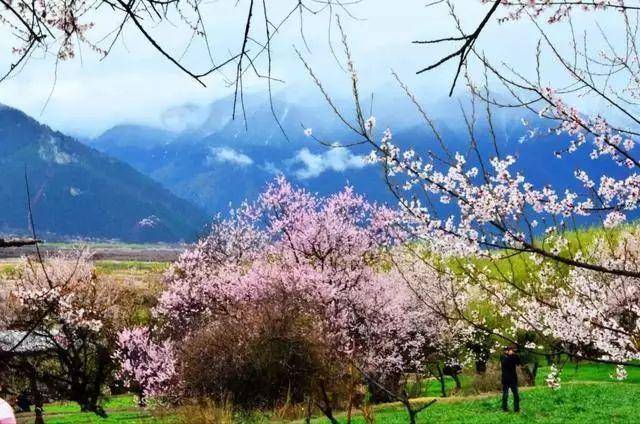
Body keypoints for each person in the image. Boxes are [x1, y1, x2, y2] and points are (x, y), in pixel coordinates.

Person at [501, 345, 521, 413]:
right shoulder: (503, 358)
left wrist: (514, 355)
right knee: (505, 395)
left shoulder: (513, 357)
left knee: (516, 395)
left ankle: (517, 409)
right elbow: (506, 363)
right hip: (506, 379)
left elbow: (518, 363)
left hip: (513, 379)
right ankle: (505, 409)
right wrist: (511, 355)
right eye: (510, 350)